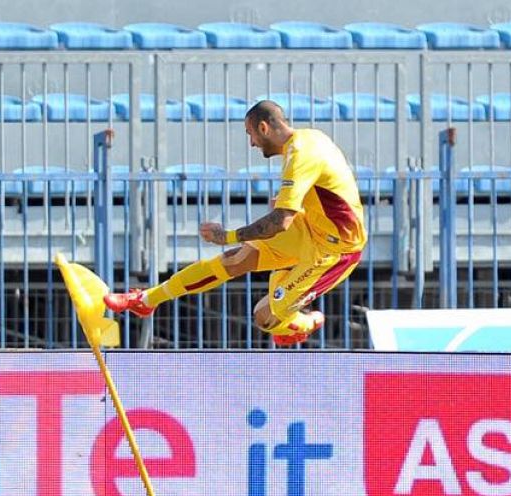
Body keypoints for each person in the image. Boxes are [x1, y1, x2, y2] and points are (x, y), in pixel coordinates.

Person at [104, 99, 366, 346]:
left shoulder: (301, 154)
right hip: (310, 228)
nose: (252, 143)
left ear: (264, 127)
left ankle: (307, 321)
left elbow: (280, 222)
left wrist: (225, 236)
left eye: (250, 134)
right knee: (235, 260)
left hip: (335, 250)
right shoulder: (307, 140)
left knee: (265, 318)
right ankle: (146, 299)